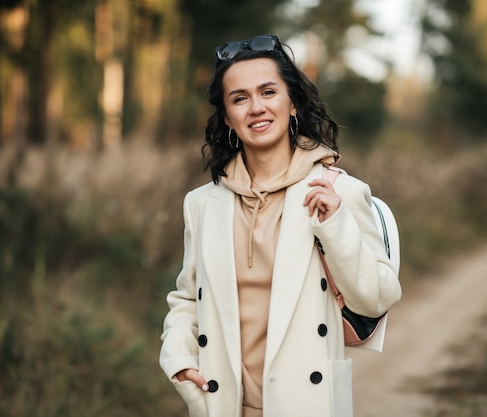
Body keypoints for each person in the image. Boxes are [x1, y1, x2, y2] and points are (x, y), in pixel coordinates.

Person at [159, 34, 402, 417]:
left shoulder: (340, 191)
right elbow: (189, 298)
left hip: (306, 404)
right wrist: (178, 359)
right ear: (226, 116)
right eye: (239, 98)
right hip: (223, 404)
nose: (256, 108)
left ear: (292, 103)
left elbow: (378, 297)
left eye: (268, 92)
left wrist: (336, 225)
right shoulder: (202, 204)